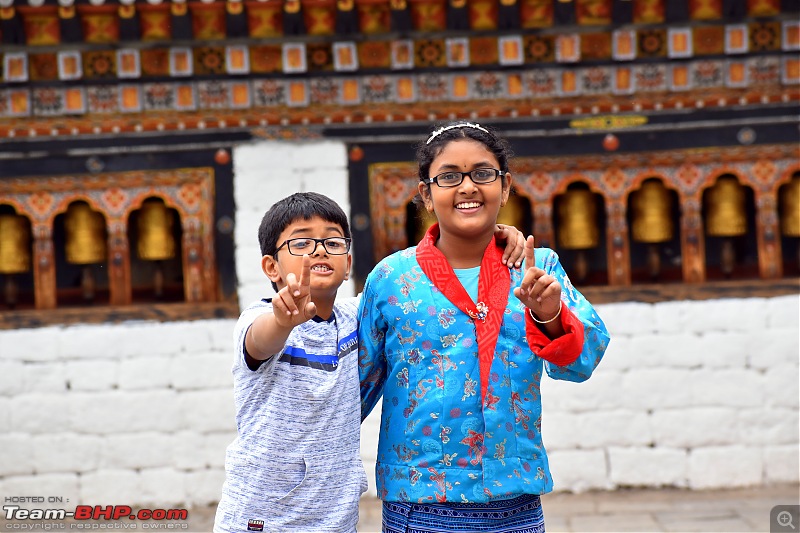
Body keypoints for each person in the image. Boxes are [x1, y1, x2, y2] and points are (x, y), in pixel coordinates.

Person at [213, 191, 527, 533]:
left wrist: (489, 237)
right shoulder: (260, 318)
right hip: (262, 517)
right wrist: (283, 322)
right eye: (302, 242)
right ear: (271, 266)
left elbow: (412, 287)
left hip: (336, 518)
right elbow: (259, 342)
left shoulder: (355, 317)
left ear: (348, 264)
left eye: (333, 241)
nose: (319, 250)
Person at [358, 122, 611, 533]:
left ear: (505, 186)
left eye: (482, 173)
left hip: (517, 503)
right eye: (449, 177)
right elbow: (354, 388)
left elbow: (582, 362)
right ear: (426, 193)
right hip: (420, 504)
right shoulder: (390, 278)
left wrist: (548, 315)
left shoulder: (537, 268)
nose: (467, 187)